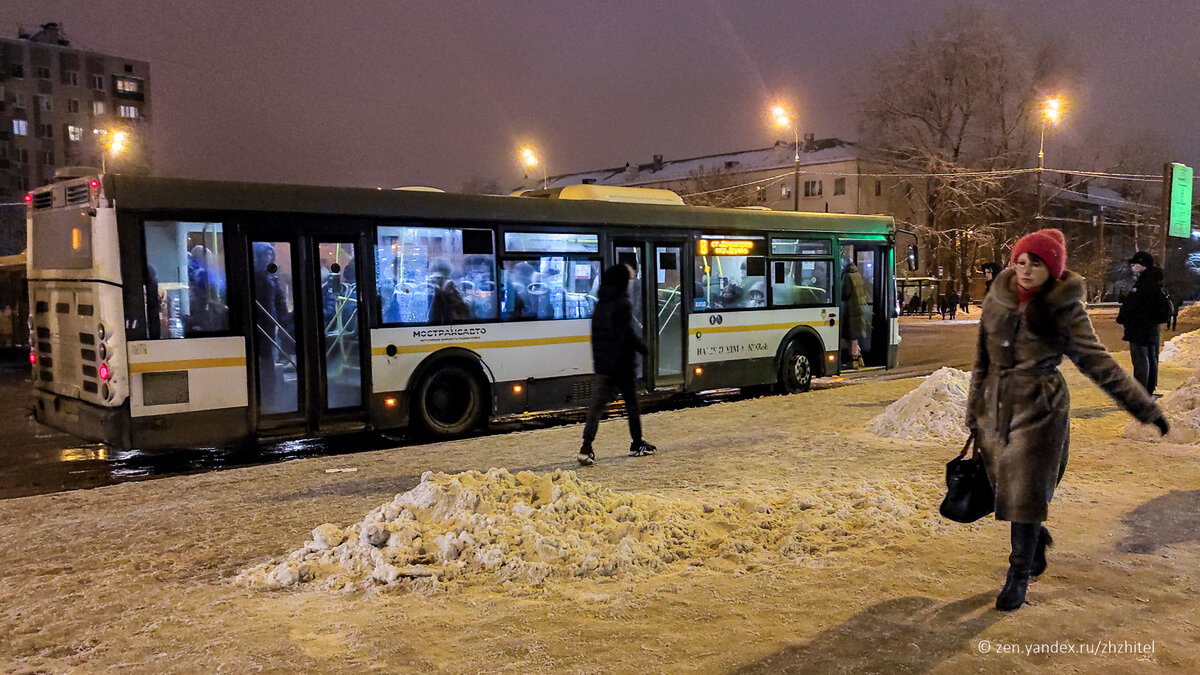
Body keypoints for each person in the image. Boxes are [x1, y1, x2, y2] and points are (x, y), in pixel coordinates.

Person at [966, 228, 1169, 612]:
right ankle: (1036, 537)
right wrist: (974, 414)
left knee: (1026, 494)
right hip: (997, 408)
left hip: (1041, 410)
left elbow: (1098, 363)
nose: (1024, 270)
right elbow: (983, 359)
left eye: (1035, 263)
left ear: (1052, 267)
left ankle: (1018, 573)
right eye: (1020, 262)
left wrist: (1145, 408)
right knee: (1004, 492)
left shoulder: (1064, 309)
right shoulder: (1000, 297)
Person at [578, 264, 656, 465]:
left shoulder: (601, 303)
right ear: (622, 281)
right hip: (622, 364)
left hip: (604, 365)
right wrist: (644, 348)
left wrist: (600, 361)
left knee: (596, 407)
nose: (631, 284)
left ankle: (586, 447)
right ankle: (636, 443)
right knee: (631, 406)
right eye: (629, 280)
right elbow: (626, 335)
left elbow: (597, 337)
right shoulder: (622, 303)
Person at [1116, 251, 1173, 396]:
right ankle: (1149, 389)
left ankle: (1140, 393)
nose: (1133, 266)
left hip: (1139, 327)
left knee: (1141, 360)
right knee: (1151, 357)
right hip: (1151, 327)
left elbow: (1133, 304)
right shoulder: (1155, 280)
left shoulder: (1144, 283)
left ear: (1143, 265)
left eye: (1135, 264)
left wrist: (1122, 316)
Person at [841, 260, 868, 368]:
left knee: (850, 336)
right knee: (854, 336)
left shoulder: (847, 275)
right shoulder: (858, 274)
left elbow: (845, 293)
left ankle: (854, 360)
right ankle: (859, 358)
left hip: (850, 310)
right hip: (858, 309)